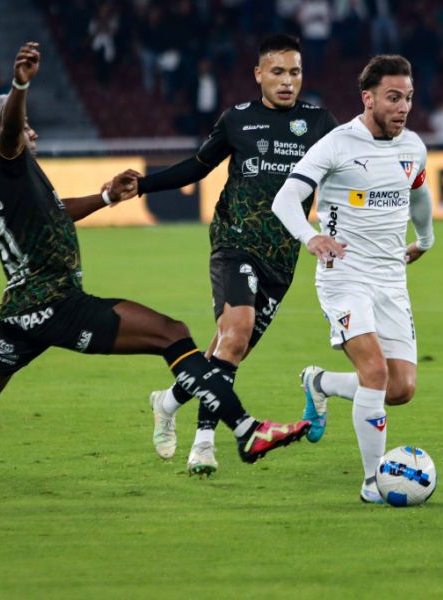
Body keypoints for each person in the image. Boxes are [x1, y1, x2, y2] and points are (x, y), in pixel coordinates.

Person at [0, 42, 310, 466]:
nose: (32, 133)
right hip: (55, 303)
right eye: (26, 127)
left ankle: (229, 426)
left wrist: (105, 197)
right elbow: (9, 132)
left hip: (18, 314)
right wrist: (19, 86)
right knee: (171, 333)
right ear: (1, 134)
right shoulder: (6, 158)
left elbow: (56, 213)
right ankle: (246, 430)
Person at [128, 34, 338, 476]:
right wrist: (142, 185)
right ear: (258, 74)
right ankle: (203, 444)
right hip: (234, 242)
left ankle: (167, 402)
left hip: (283, 256)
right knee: (236, 331)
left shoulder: (320, 124)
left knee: (229, 349)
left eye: (295, 72)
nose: (287, 81)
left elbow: (346, 176)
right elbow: (197, 166)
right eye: (277, 72)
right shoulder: (238, 119)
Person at [271, 55, 435, 503]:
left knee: (399, 388)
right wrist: (310, 237)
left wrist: (425, 239)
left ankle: (320, 383)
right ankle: (372, 482)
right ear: (368, 98)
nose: (403, 107)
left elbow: (419, 194)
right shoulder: (336, 144)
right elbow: (286, 199)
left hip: (391, 279)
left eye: (408, 98)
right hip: (344, 276)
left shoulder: (412, 147)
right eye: (393, 98)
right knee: (375, 372)